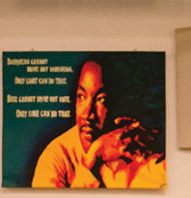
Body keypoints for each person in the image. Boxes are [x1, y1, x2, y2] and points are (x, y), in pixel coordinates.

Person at [31, 57, 166, 189]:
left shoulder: (128, 143)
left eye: (100, 99)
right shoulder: (55, 158)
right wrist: (93, 159)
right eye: (81, 97)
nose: (87, 113)